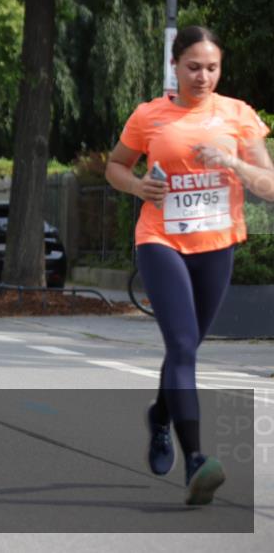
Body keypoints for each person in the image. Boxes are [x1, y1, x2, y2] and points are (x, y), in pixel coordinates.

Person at [106, 26, 274, 506]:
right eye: (194, 67)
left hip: (216, 243)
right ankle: (196, 461)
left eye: (212, 68)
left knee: (187, 347)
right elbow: (116, 167)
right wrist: (138, 187)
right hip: (160, 240)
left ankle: (160, 416)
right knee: (181, 345)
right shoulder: (149, 115)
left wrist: (233, 163)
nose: (203, 76)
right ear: (175, 67)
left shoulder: (239, 115)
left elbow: (269, 185)